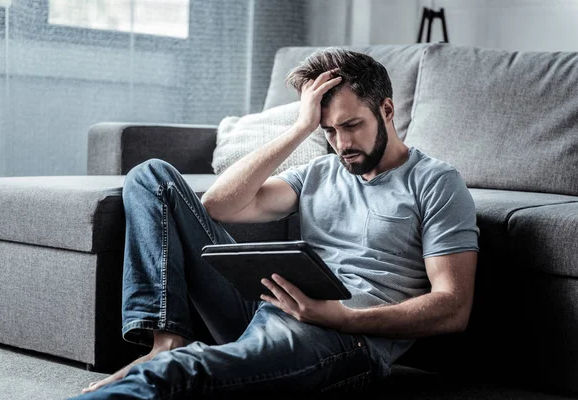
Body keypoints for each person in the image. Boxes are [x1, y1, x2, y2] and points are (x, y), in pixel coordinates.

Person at [74, 48, 479, 398]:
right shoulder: (320, 171)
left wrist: (343, 318)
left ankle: (174, 365)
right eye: (329, 131)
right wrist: (300, 129)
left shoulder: (437, 182)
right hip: (267, 306)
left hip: (343, 338)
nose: (342, 144)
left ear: (387, 110)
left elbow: (453, 308)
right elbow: (220, 206)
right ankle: (167, 340)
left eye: (352, 125)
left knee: (179, 376)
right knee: (151, 176)